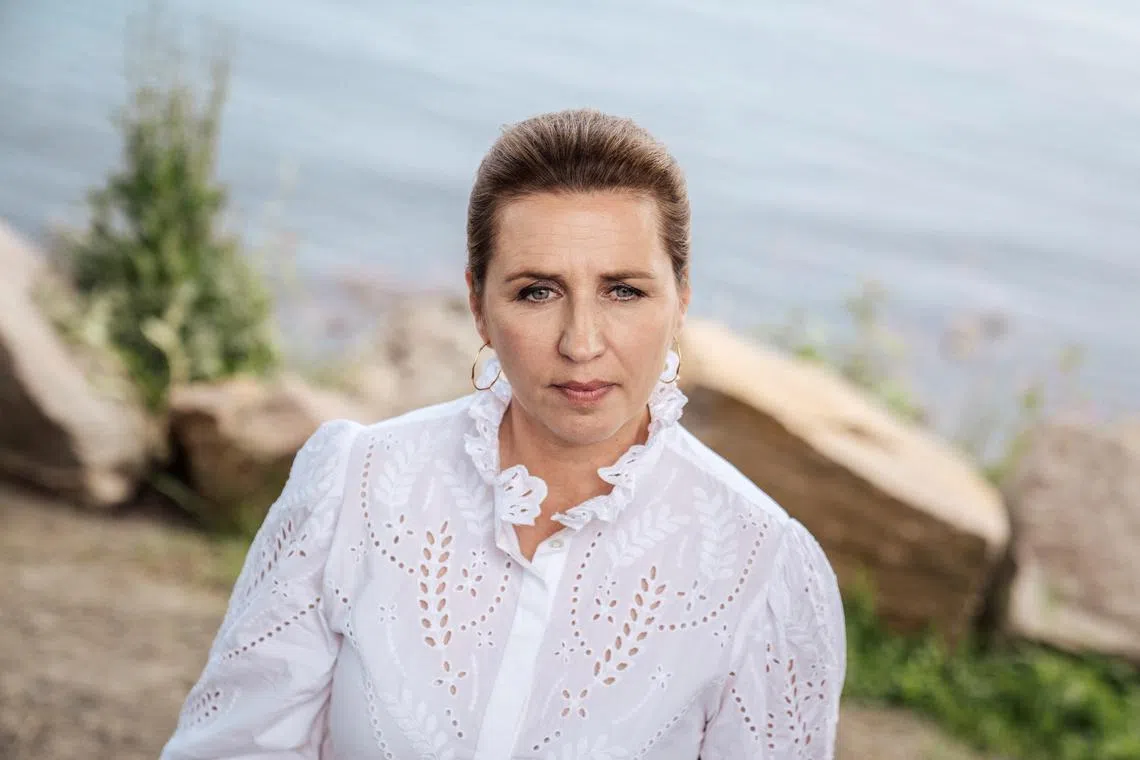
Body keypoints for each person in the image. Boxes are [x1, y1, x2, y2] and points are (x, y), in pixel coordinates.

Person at [161, 108, 846, 759]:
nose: (581, 344)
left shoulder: (766, 570)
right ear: (479, 307)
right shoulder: (354, 485)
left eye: (624, 291)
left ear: (681, 301)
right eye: (537, 292)